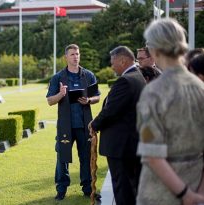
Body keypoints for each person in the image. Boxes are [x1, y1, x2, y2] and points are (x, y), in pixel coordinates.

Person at [136, 18, 204, 205]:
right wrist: (197, 193)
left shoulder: (153, 92)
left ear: (154, 50)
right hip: (195, 186)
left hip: (159, 194)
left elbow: (152, 154)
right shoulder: (200, 88)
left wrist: (184, 194)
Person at [88, 46, 146, 205]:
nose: (111, 66)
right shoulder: (138, 76)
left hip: (121, 146)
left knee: (123, 191)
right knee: (131, 189)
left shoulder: (125, 81)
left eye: (113, 62)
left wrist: (94, 124)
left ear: (123, 60)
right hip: (131, 144)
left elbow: (110, 111)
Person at [46, 44, 101, 201]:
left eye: (77, 54)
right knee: (62, 158)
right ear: (66, 57)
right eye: (72, 54)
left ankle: (88, 189)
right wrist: (60, 94)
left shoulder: (88, 75)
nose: (75, 57)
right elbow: (50, 101)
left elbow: (97, 96)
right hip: (66, 126)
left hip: (85, 125)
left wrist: (89, 100)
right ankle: (61, 190)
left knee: (86, 158)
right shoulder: (58, 78)